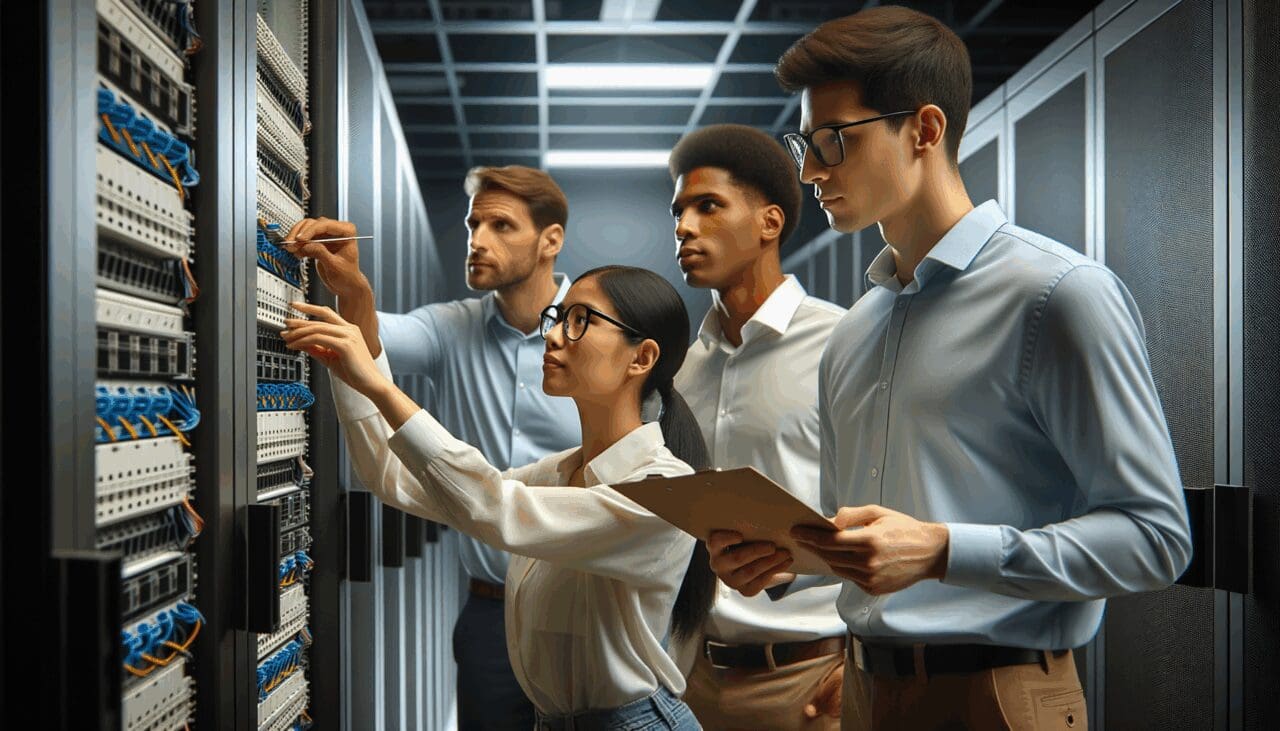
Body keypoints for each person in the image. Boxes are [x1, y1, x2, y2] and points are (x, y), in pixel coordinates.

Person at [706, 7, 1193, 730]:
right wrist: (788, 556)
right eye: (804, 145)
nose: (808, 171)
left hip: (998, 695)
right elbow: (870, 543)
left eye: (833, 140)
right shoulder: (853, 332)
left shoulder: (1057, 297)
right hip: (861, 693)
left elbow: (1156, 537)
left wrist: (943, 550)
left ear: (924, 130)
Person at [282, 264, 712, 730]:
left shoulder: (661, 489)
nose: (553, 337)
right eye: (558, 318)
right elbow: (396, 479)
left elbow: (491, 506)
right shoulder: (558, 472)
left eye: (580, 321)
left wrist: (380, 387)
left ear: (641, 357)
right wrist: (351, 355)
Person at [283, 165, 581, 730]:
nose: (478, 240)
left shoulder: (595, 330)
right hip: (491, 613)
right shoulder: (449, 329)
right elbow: (366, 345)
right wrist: (355, 290)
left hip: (583, 610)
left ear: (551, 240)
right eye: (473, 225)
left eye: (501, 225)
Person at [666, 124, 847, 729]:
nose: (684, 226)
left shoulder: (843, 343)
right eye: (678, 211)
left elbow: (905, 505)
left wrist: (867, 662)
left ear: (769, 223)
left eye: (708, 206)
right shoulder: (685, 370)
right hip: (697, 678)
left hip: (812, 679)